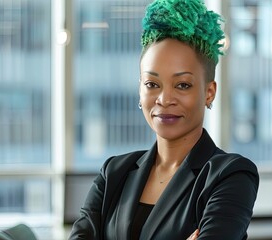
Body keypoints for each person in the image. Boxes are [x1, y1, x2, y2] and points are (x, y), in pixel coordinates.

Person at [68, 0, 259, 239]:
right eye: (152, 84)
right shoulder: (114, 173)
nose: (164, 99)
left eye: (182, 85)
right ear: (140, 90)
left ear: (209, 92)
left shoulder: (231, 175)